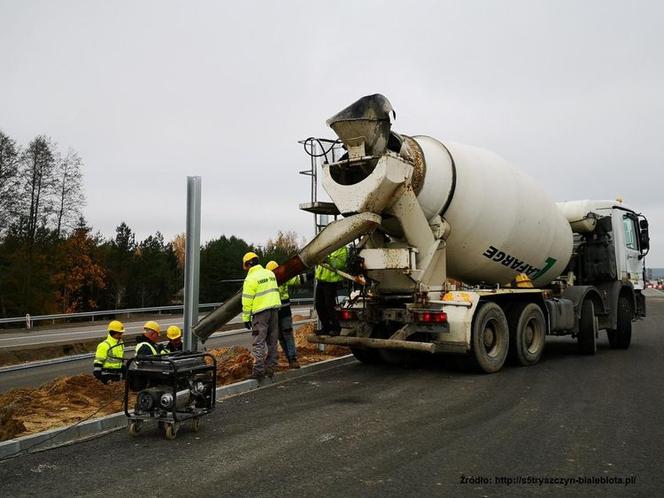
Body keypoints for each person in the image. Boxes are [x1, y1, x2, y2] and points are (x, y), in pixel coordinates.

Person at [242, 252, 281, 380]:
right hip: (274, 311)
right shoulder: (270, 274)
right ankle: (270, 368)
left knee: (258, 342)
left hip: (260, 313)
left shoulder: (250, 279)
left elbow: (247, 301)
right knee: (272, 340)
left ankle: (258, 371)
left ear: (248, 264)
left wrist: (246, 318)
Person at [266, 260, 301, 369]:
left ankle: (292, 358)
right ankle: (291, 358)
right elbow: (298, 280)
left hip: (279, 310)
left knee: (284, 335)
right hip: (282, 310)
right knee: (284, 335)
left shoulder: (269, 279)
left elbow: (297, 280)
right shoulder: (283, 276)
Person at [314, 245, 349, 336]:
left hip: (331, 282)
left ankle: (336, 328)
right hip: (321, 280)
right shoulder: (328, 246)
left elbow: (340, 264)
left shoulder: (342, 248)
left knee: (329, 305)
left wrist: (328, 259)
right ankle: (326, 328)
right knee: (319, 306)